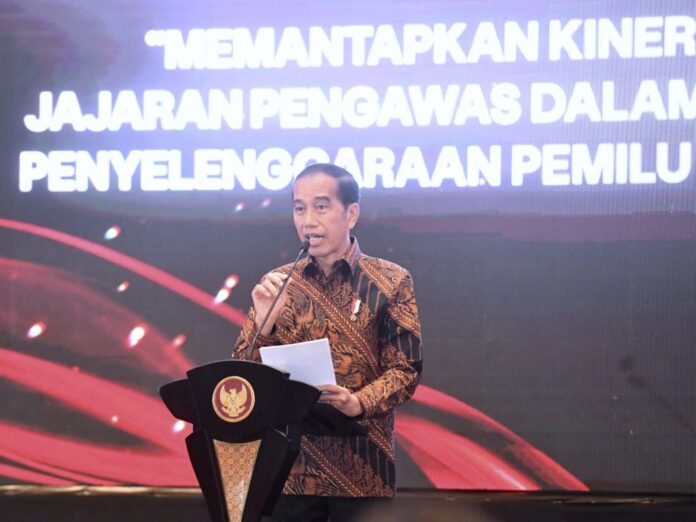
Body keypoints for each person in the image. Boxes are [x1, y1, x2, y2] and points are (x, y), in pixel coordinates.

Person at [233, 163, 423, 522]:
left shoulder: (390, 281)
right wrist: (264, 325)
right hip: (290, 469)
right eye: (299, 208)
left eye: (321, 207)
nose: (307, 220)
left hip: (362, 469)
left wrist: (357, 402)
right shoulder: (277, 283)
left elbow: (405, 369)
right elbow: (241, 379)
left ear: (351, 214)